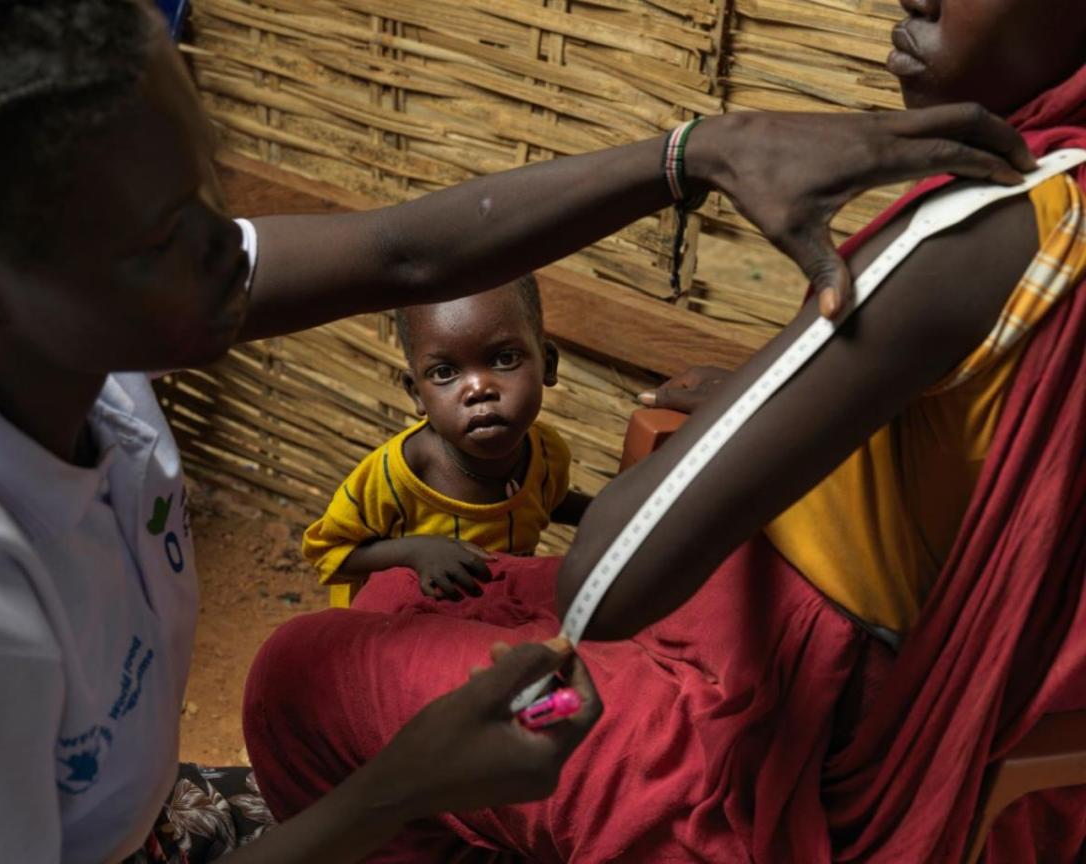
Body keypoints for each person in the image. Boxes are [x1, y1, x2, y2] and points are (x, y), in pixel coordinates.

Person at [0, 1, 1042, 862]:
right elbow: (608, 578)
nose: (220, 245)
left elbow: (408, 253)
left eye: (205, 191)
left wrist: (703, 150)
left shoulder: (75, 320)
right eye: (159, 235)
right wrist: (395, 787)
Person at [243, 0, 1086, 861]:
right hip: (813, 650)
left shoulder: (984, 223)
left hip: (744, 733)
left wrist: (744, 403)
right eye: (446, 375)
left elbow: (603, 581)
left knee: (299, 673)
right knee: (396, 597)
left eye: (506, 361)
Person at [303, 276, 590, 607]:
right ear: (416, 393)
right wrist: (416, 551)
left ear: (547, 364)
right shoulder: (397, 476)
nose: (479, 388)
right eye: (444, 373)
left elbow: (547, 499)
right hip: (401, 627)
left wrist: (613, 509)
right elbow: (326, 551)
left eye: (505, 358)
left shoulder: (547, 454)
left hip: (497, 613)